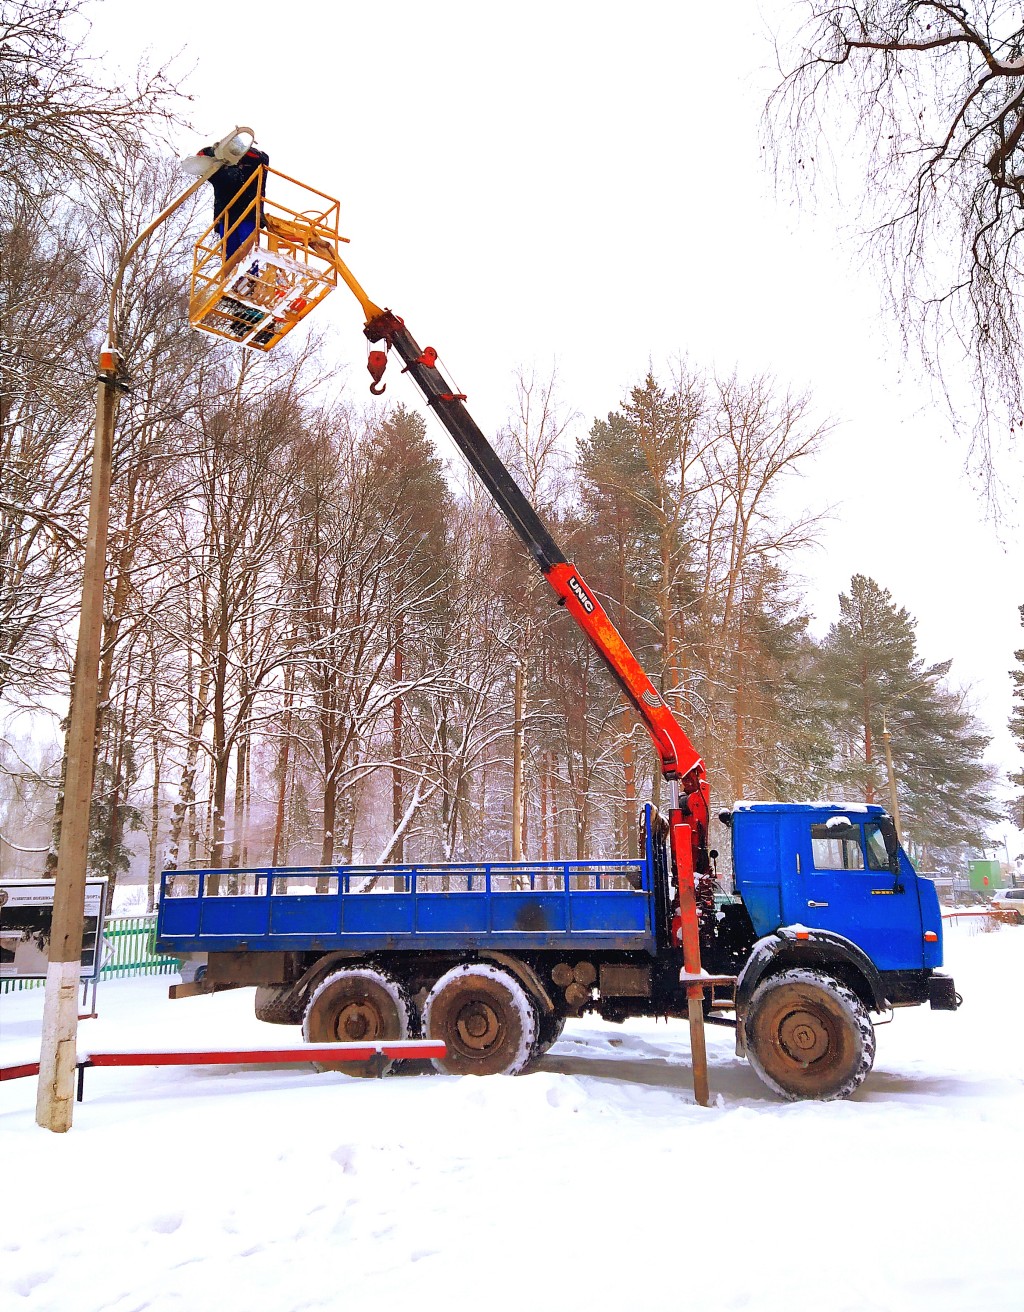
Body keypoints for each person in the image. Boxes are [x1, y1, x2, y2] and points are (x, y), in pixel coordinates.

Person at [198, 141, 270, 258]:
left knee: (248, 253)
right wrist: (215, 150)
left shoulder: (253, 166)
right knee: (229, 256)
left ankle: (250, 275)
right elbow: (200, 158)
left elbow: (263, 158)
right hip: (226, 217)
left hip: (248, 215)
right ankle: (231, 275)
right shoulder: (220, 170)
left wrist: (238, 151)